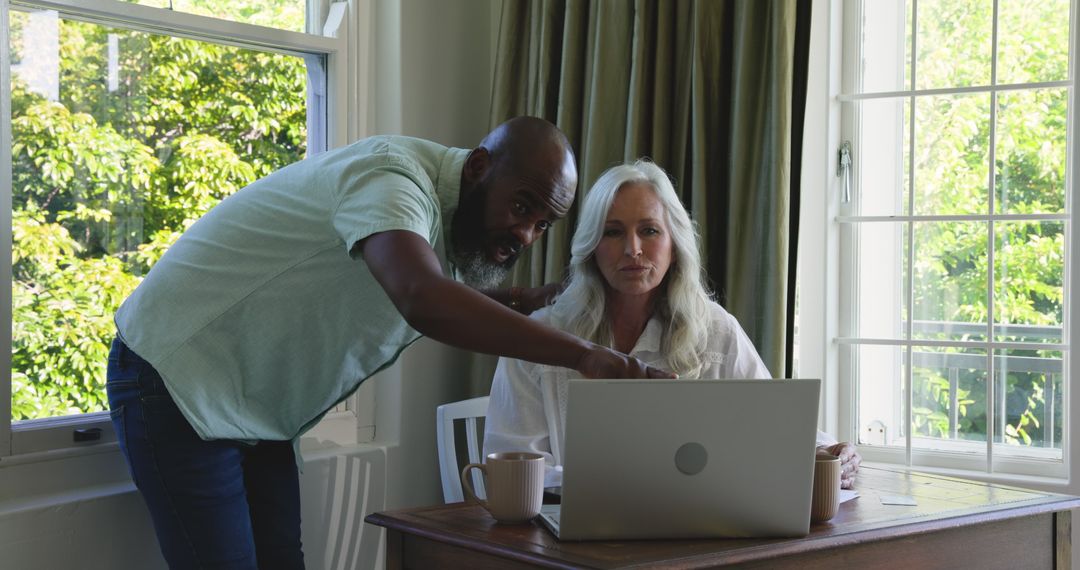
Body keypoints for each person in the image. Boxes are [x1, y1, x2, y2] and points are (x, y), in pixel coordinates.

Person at [107, 117, 673, 569]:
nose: (525, 234)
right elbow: (421, 295)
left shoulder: (447, 219)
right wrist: (584, 355)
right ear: (479, 168)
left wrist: (525, 299)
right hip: (176, 374)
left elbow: (434, 288)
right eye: (522, 207)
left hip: (253, 406)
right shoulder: (392, 179)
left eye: (543, 224)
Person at [484, 159, 862, 490]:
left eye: (649, 230)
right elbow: (511, 469)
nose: (633, 249)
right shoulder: (538, 339)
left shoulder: (716, 331)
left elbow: (773, 423)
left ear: (674, 244)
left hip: (697, 532)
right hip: (563, 539)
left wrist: (828, 451)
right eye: (613, 232)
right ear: (591, 247)